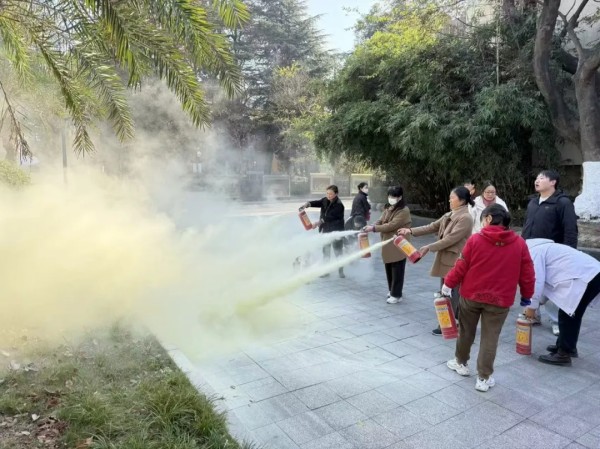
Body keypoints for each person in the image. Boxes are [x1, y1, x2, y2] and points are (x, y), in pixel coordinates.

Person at [443, 205, 535, 391]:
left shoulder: (476, 239)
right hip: (500, 300)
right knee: (490, 337)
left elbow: (461, 265)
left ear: (489, 219)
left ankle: (460, 363)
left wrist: (448, 284)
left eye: (483, 219)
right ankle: (483, 378)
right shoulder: (519, 243)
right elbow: (527, 273)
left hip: (471, 295)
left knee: (466, 331)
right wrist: (527, 296)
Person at [397, 186, 474, 335]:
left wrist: (429, 247)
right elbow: (432, 226)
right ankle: (451, 322)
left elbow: (451, 239)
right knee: (446, 290)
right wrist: (410, 231)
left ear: (462, 200)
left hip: (456, 260)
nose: (449, 200)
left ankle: (450, 324)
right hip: (446, 259)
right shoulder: (449, 214)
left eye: (452, 198)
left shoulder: (465, 218)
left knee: (452, 292)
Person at [523, 239, 600, 366]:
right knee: (571, 313)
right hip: (591, 273)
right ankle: (567, 346)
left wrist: (531, 307)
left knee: (568, 313)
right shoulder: (540, 248)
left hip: (585, 277)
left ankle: (563, 354)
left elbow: (536, 281)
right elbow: (543, 283)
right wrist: (538, 302)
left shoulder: (533, 253)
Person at [521, 169, 579, 336]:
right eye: (537, 178)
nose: (537, 180)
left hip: (553, 255)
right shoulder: (533, 202)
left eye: (542, 178)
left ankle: (556, 321)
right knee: (531, 283)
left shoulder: (562, 203)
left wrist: (569, 254)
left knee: (552, 288)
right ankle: (533, 315)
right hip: (530, 251)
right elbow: (526, 226)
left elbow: (570, 230)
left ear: (553, 182)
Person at [363, 186, 411, 304]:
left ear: (400, 197)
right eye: (390, 196)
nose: (391, 198)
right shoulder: (389, 207)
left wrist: (374, 228)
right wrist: (373, 225)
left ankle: (397, 295)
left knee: (397, 268)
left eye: (394, 196)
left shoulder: (404, 210)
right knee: (389, 266)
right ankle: (392, 290)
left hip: (399, 243)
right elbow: (381, 220)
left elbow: (391, 225)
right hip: (388, 242)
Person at [302, 185, 346, 278]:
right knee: (326, 251)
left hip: (336, 231)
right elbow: (318, 202)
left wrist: (318, 223)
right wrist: (308, 204)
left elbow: (329, 217)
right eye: (327, 193)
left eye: (331, 194)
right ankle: (326, 271)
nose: (328, 195)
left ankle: (341, 271)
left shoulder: (339, 205)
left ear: (336, 194)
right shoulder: (325, 200)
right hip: (326, 230)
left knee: (338, 251)